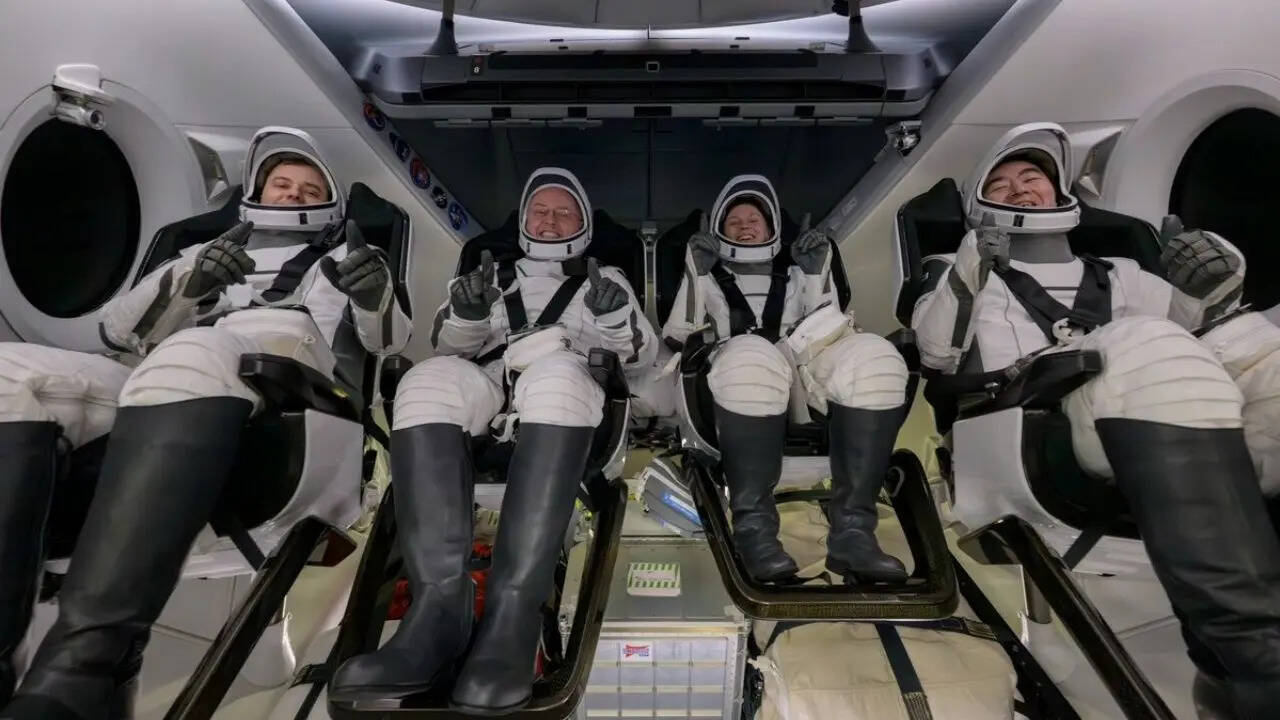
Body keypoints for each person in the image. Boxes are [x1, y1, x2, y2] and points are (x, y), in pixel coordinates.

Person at [0, 126, 408, 719]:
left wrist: (373, 296)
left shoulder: (348, 260)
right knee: (11, 374)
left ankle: (83, 678)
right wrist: (190, 283)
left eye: (309, 189)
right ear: (256, 192)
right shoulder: (199, 253)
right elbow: (117, 331)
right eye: (282, 184)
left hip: (292, 387)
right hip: (157, 380)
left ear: (331, 203)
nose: (294, 195)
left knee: (196, 352)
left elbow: (389, 341)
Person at [910, 122, 1280, 717]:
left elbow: (1203, 337)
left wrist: (1214, 289)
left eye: (1032, 177)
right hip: (1023, 422)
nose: (1019, 189)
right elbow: (937, 354)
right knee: (1143, 342)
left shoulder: (1125, 273)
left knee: (1262, 350)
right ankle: (1247, 659)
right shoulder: (955, 269)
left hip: (1149, 406)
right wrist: (973, 263)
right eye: (1000, 185)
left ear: (1059, 194)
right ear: (980, 207)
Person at [328, 167, 656, 713]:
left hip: (566, 379)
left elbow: (641, 356)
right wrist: (468, 314)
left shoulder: (610, 279)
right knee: (426, 379)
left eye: (564, 213)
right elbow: (449, 345)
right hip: (490, 379)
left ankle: (513, 616)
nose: (550, 221)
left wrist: (615, 317)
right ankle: (437, 612)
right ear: (524, 220)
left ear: (582, 224)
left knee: (556, 378)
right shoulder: (486, 274)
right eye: (540, 211)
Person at [662, 175, 909, 584]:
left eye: (753, 220)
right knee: (753, 355)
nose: (744, 227)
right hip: (731, 381)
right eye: (734, 221)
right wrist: (695, 274)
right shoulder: (707, 277)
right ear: (719, 231)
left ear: (772, 227)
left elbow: (827, 327)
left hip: (801, 379)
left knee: (876, 356)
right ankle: (754, 534)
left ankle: (854, 536)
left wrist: (817, 273)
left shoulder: (797, 277)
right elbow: (677, 336)